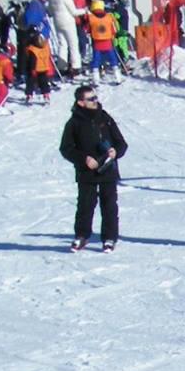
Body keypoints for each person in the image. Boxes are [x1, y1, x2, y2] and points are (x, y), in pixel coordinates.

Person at [60, 84, 129, 252]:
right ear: (81, 102)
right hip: (87, 172)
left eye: (95, 97)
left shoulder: (105, 118)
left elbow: (121, 143)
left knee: (109, 205)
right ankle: (81, 236)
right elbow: (66, 148)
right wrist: (84, 159)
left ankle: (109, 238)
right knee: (85, 205)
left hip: (107, 169)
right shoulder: (74, 123)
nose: (95, 101)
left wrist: (115, 152)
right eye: (91, 99)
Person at [86, 0, 123, 80]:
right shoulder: (109, 17)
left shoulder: (91, 18)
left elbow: (88, 30)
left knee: (96, 60)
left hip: (97, 43)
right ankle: (118, 77)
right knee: (113, 60)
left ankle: (96, 79)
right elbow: (115, 29)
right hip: (108, 42)